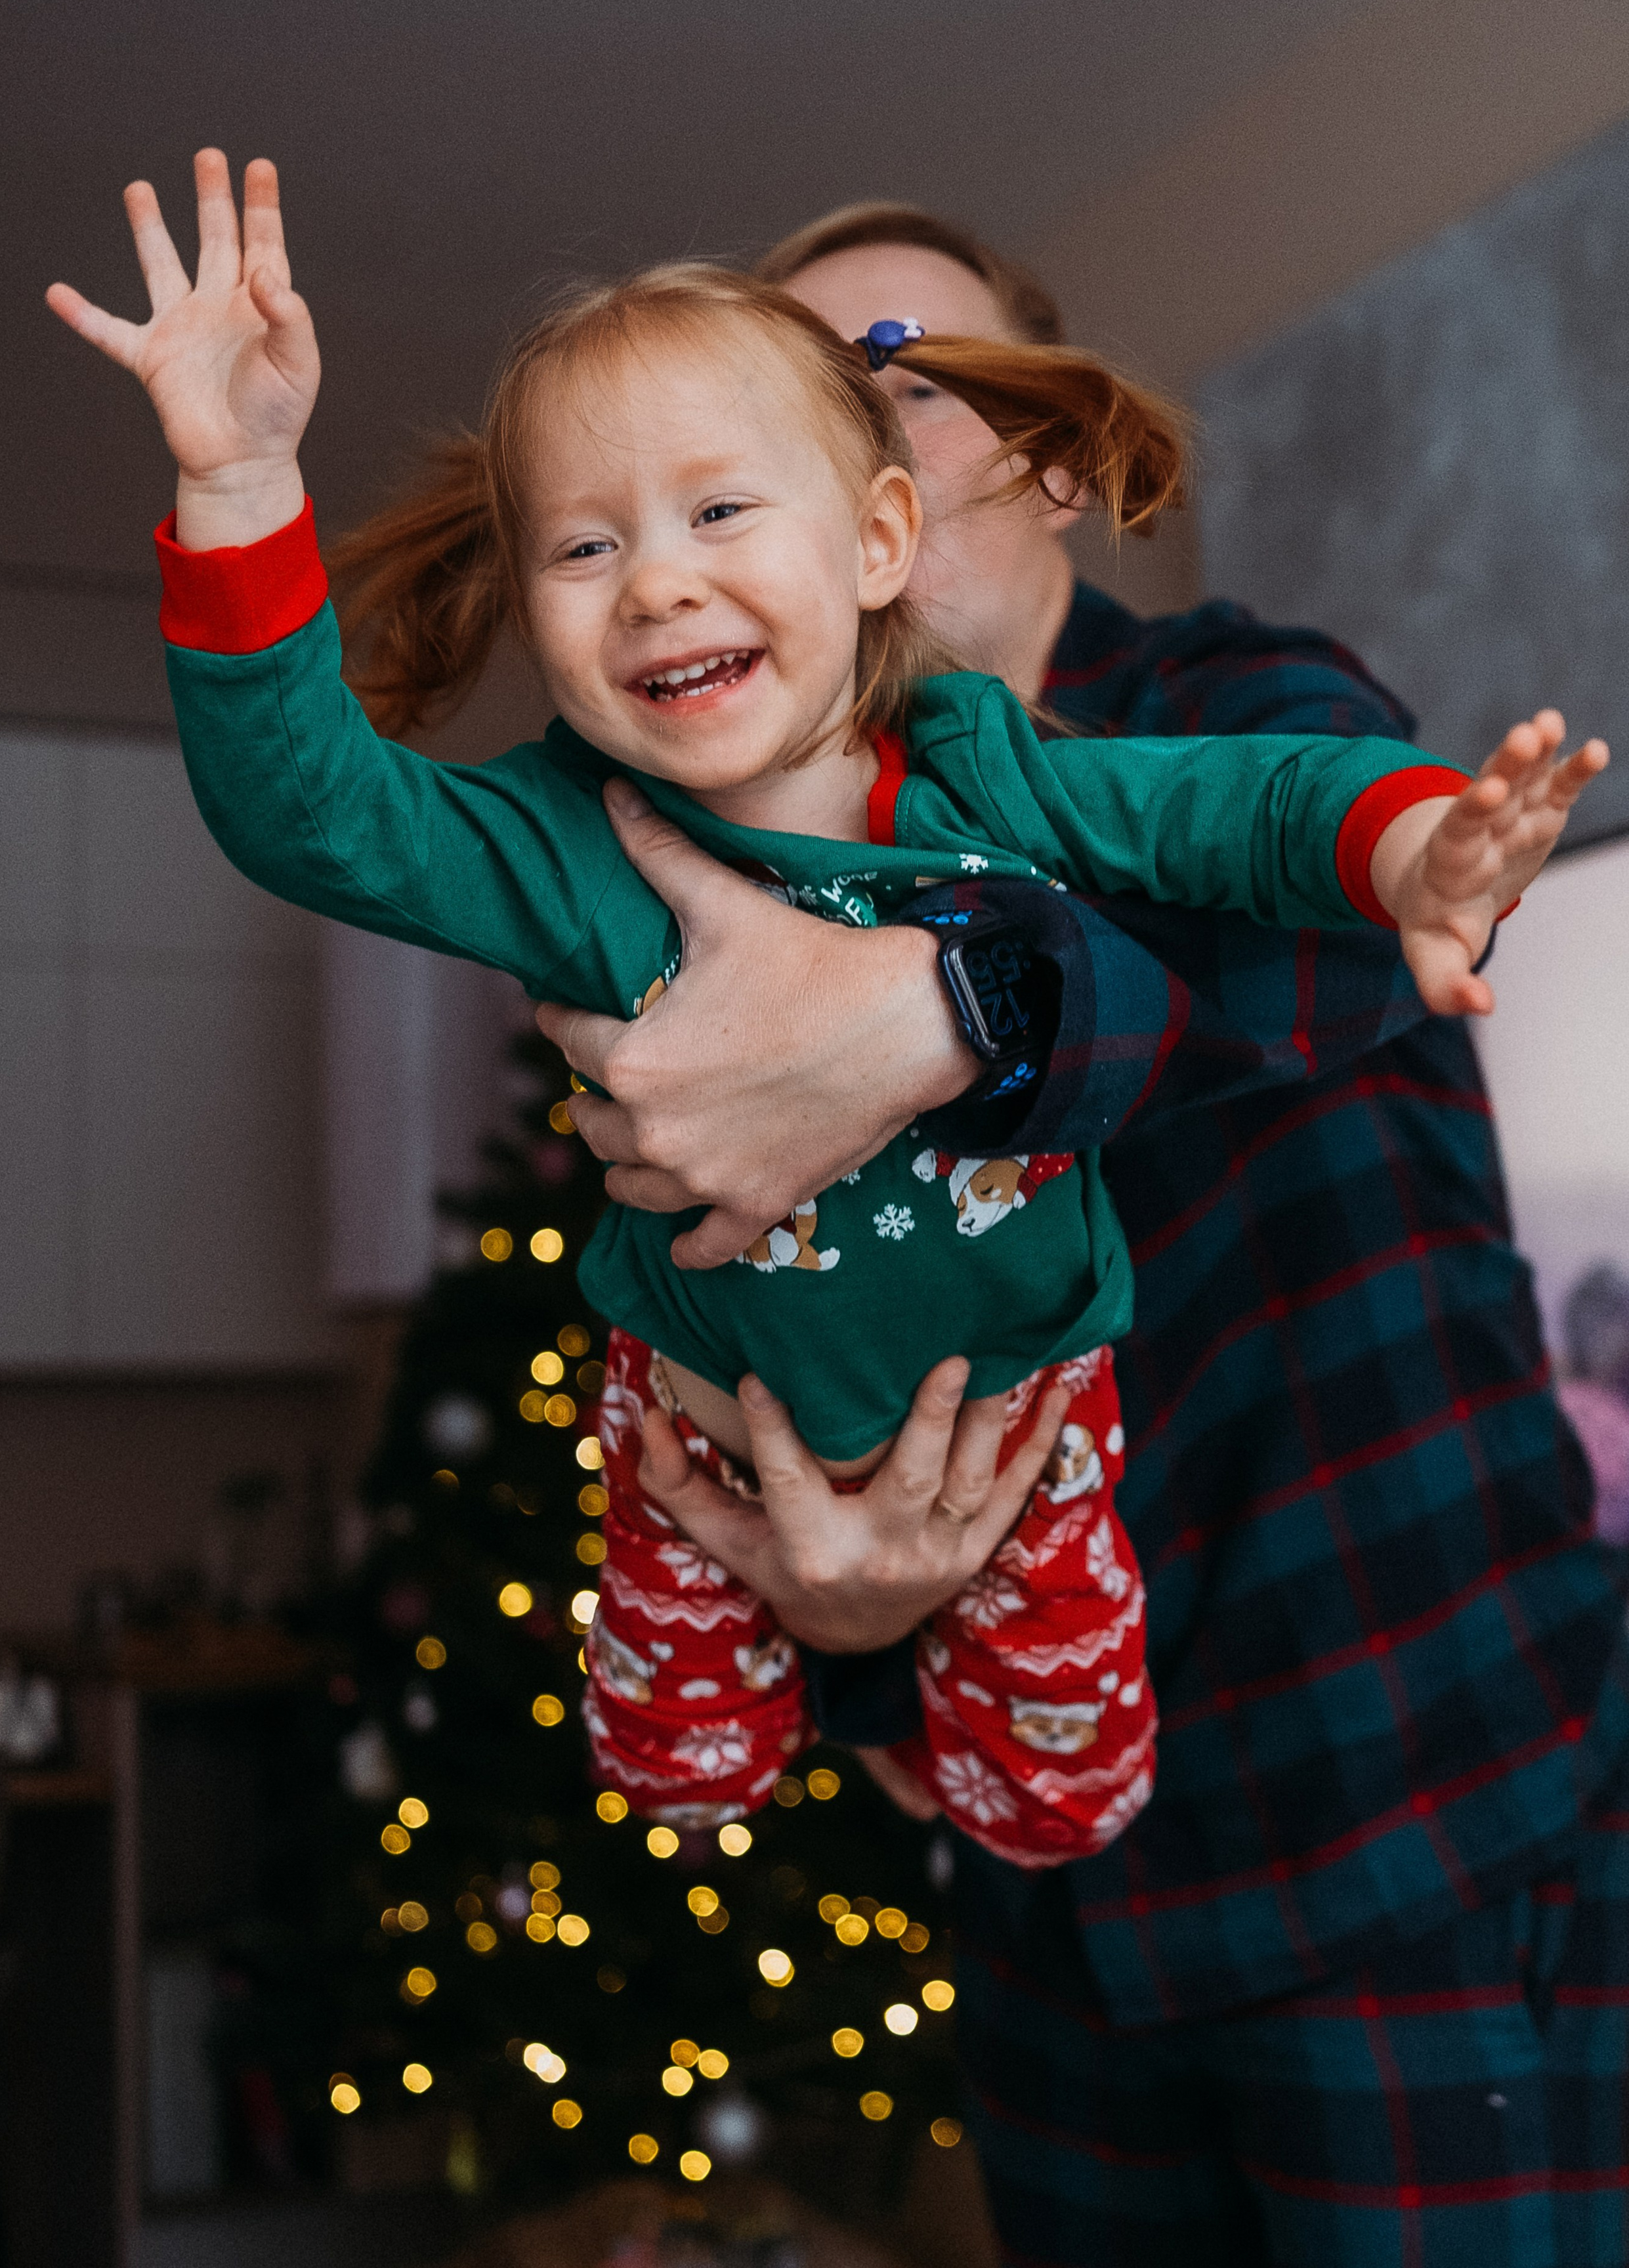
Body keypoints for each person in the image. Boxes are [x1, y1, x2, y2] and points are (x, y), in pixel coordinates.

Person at [45, 158, 1597, 1887]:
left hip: (1386, 1747)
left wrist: (1409, 845)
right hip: (747, 1468)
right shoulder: (582, 836)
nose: (654, 582)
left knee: (1068, 1797)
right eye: (586, 542)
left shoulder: (1052, 750)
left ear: (885, 525)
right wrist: (241, 485)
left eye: (897, 379)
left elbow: (1272, 846)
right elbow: (311, 807)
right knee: (684, 1776)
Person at [533, 205, 1629, 2262]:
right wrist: (848, 1649)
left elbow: (1293, 937)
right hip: (1051, 1911)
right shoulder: (716, 903)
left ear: (1042, 463)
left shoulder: (1232, 705)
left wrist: (925, 1020)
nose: (827, 418)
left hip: (1411, 1825)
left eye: (895, 373)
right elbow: (760, 1363)